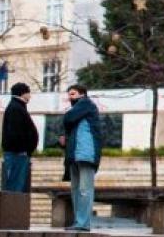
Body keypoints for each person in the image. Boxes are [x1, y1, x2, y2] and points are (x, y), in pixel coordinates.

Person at [59, 85, 102, 232]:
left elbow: (68, 118)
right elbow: (69, 125)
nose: (70, 97)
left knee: (84, 190)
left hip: (85, 154)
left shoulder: (86, 104)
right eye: (69, 94)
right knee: (76, 190)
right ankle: (79, 222)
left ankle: (83, 223)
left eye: (73, 94)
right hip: (75, 155)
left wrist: (66, 119)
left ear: (82, 94)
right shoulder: (78, 109)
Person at [1, 83, 38, 193]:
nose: (30, 96)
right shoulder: (16, 108)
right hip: (17, 154)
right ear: (23, 93)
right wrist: (22, 150)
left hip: (19, 153)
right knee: (15, 187)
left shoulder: (16, 107)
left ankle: (15, 209)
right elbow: (16, 133)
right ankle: (13, 210)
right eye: (28, 93)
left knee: (17, 186)